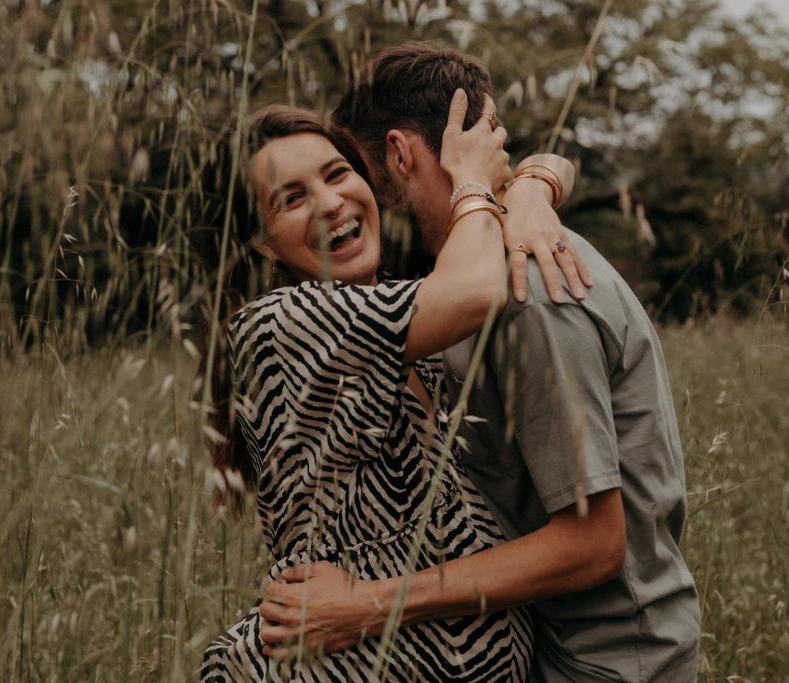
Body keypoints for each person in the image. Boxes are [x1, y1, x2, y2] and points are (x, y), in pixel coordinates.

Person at [258, 43, 701, 682]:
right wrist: (535, 182)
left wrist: (368, 606)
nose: (344, 199)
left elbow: (595, 544)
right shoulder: (459, 283)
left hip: (603, 665)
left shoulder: (531, 289)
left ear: (398, 153)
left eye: (346, 168)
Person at [200, 92, 584, 680]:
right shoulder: (277, 325)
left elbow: (560, 161)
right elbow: (477, 293)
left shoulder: (405, 324)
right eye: (292, 199)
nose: (330, 204)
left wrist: (534, 183)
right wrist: (475, 184)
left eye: (337, 174)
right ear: (261, 240)